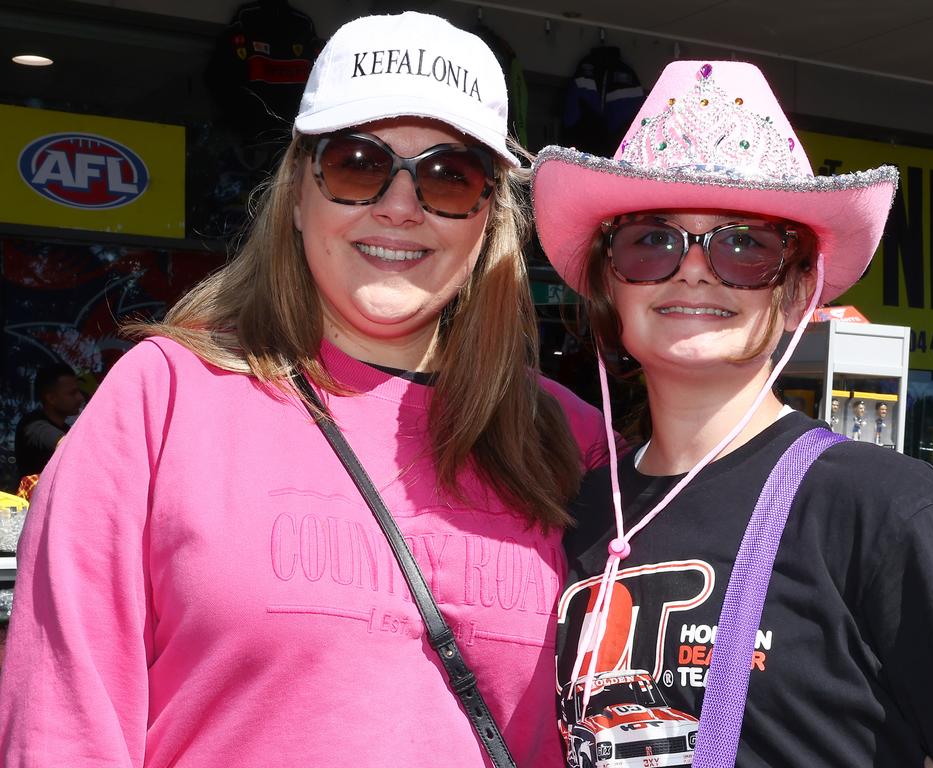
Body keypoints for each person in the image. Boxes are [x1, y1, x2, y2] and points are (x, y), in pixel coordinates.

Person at [0, 13, 611, 767]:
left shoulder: (569, 438)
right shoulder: (162, 401)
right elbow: (63, 726)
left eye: (450, 176)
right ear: (297, 192)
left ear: (487, 217)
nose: (399, 205)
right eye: (358, 164)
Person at [532, 61, 933, 767]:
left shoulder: (883, 511)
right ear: (611, 285)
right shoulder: (574, 512)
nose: (694, 269)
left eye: (744, 245)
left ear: (797, 294)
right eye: (651, 240)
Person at [13, 362, 84, 478]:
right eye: (72, 393)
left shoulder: (66, 429)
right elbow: (67, 445)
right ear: (51, 398)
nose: (80, 397)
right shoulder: (33, 426)